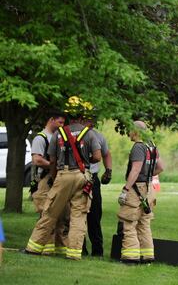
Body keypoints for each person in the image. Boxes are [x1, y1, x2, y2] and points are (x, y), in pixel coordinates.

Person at [25, 97, 102, 260]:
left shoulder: (58, 134)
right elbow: (97, 157)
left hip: (63, 174)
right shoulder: (89, 134)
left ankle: (34, 247)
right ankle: (74, 253)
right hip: (83, 176)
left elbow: (52, 161)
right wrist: (84, 161)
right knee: (78, 214)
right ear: (82, 117)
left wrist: (54, 177)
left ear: (68, 117)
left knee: (50, 212)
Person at [117, 120, 163, 264]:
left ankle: (131, 257)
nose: (128, 133)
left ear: (136, 131)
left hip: (136, 188)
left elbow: (135, 170)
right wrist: (148, 176)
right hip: (148, 188)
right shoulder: (152, 145)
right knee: (144, 223)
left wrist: (126, 189)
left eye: (129, 130)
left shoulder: (138, 147)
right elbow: (160, 167)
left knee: (128, 221)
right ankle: (147, 256)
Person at [29, 111, 67, 255]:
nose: (62, 126)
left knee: (59, 215)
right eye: (60, 122)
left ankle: (56, 248)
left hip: (56, 180)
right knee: (46, 215)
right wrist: (55, 166)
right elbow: (37, 160)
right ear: (51, 120)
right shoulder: (41, 138)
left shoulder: (58, 137)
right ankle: (45, 248)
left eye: (63, 123)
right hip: (44, 181)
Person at [83, 117, 112, 257]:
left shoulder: (98, 136)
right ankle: (80, 248)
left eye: (93, 119)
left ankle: (97, 251)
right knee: (78, 214)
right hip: (79, 176)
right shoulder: (72, 135)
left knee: (95, 215)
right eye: (89, 119)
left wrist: (108, 170)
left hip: (93, 178)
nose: (92, 122)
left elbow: (106, 154)